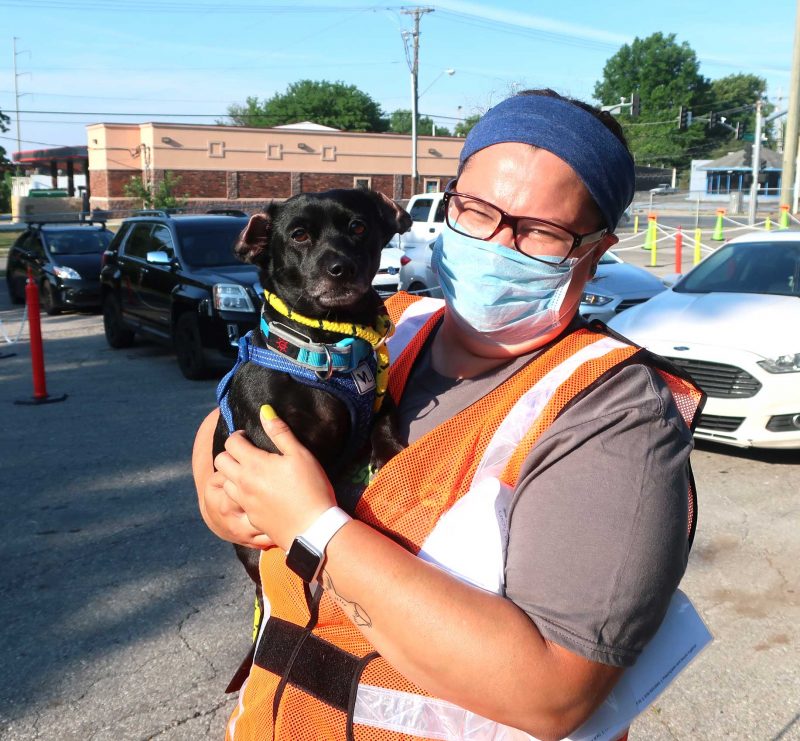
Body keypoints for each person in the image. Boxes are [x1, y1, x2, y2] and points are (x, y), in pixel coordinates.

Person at [193, 89, 704, 741]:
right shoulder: (392, 323)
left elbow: (552, 694)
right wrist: (215, 484)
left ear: (595, 251)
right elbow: (242, 401)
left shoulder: (614, 411)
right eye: (477, 210)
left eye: (540, 230)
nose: (498, 242)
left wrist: (310, 524)